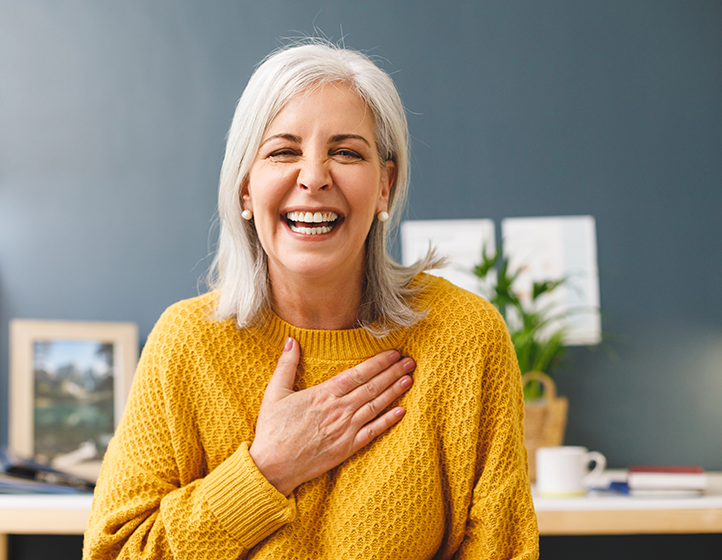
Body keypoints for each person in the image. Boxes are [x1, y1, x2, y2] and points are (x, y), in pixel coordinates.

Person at [83, 40, 538, 559]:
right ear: (245, 190)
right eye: (283, 151)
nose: (315, 176)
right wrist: (267, 469)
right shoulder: (185, 345)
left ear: (384, 185)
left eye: (346, 152)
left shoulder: (465, 337)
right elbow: (112, 552)